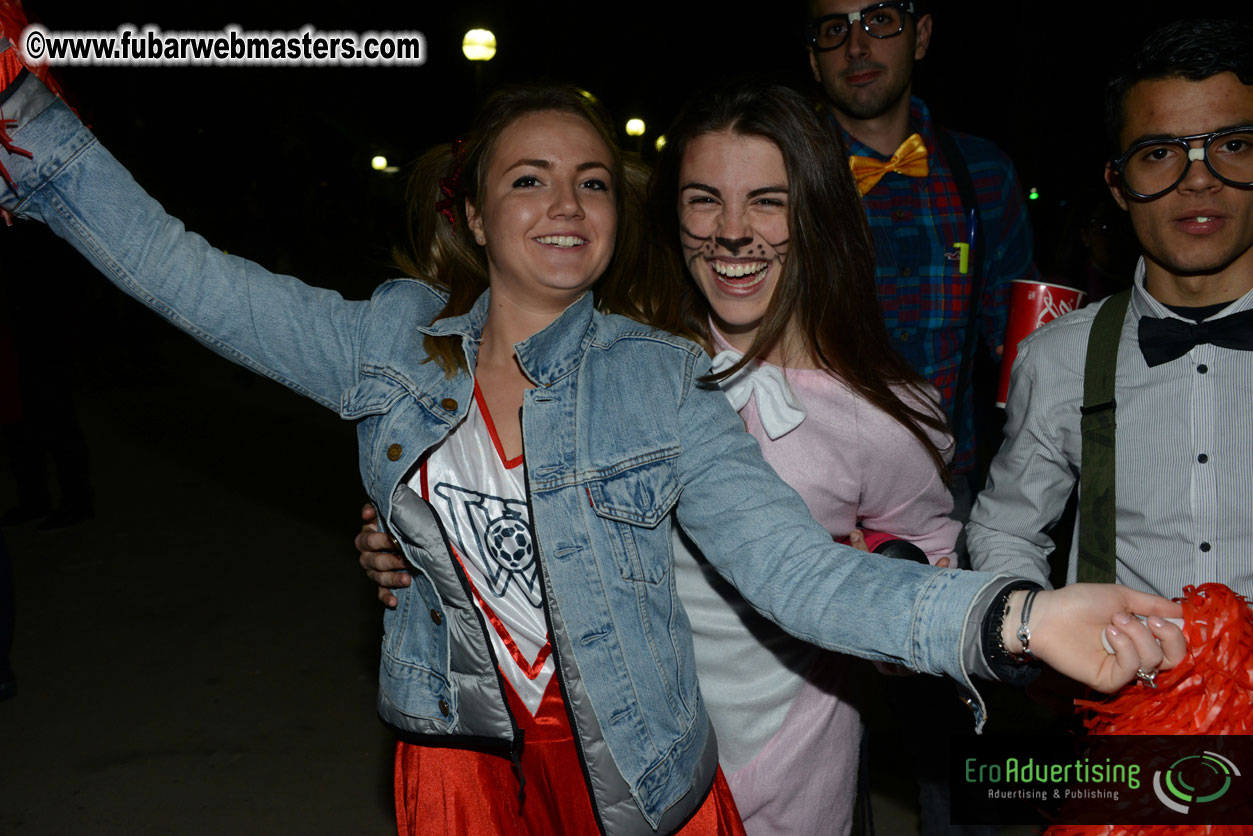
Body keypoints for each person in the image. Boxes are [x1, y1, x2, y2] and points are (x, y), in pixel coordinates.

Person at [1, 28, 1185, 836]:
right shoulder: (383, 347)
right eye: (528, 180)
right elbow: (181, 272)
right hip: (457, 753)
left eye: (593, 181)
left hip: (633, 748)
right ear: (470, 211)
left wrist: (1015, 613)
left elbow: (800, 572)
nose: (565, 204)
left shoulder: (657, 380)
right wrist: (27, 118)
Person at [361, 81, 959, 836]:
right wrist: (405, 534)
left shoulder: (883, 416)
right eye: (704, 199)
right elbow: (485, 479)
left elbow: (930, 581)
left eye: (768, 202)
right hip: (609, 773)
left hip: (786, 785)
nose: (733, 233)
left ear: (816, 214)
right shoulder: (610, 357)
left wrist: (875, 572)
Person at [968, 18, 1253, 602]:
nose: (1198, 178)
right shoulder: (1057, 358)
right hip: (1123, 690)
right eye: (1159, 153)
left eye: (1233, 145)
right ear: (1118, 185)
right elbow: (1004, 530)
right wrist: (1033, 629)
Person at [804, 0, 1041, 516]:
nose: (857, 45)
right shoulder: (781, 177)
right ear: (813, 58)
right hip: (807, 490)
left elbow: (1024, 350)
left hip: (946, 490)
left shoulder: (984, 174)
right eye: (834, 28)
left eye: (880, 19)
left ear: (922, 35)